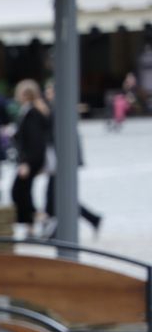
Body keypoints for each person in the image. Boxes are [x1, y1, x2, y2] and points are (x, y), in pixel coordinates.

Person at [43, 80, 102, 234]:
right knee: (58, 194)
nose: (47, 94)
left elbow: (56, 136)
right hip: (61, 159)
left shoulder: (58, 108)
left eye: (49, 91)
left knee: (58, 195)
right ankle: (92, 219)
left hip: (62, 160)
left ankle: (58, 227)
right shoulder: (59, 108)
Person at [10, 79, 51, 229]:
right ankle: (32, 222)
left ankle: (37, 218)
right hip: (31, 158)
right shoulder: (29, 111)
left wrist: (25, 162)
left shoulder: (32, 113)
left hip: (30, 159)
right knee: (23, 191)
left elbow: (34, 140)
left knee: (19, 191)